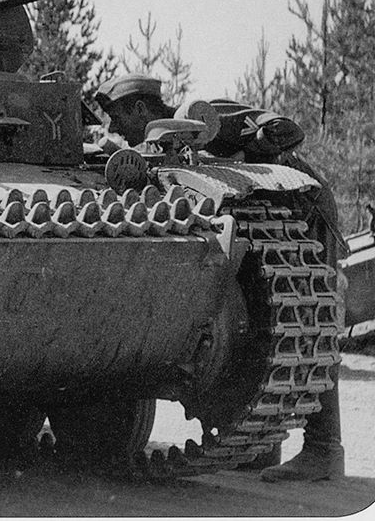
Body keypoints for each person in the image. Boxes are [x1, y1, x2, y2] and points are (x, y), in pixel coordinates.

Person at [93, 73, 346, 481]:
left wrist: (256, 145)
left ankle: (323, 449)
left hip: (300, 207)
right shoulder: (158, 145)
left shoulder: (197, 117)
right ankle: (263, 445)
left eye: (118, 117)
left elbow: (286, 131)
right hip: (272, 218)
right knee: (266, 316)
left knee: (306, 320)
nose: (114, 128)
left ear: (140, 108)